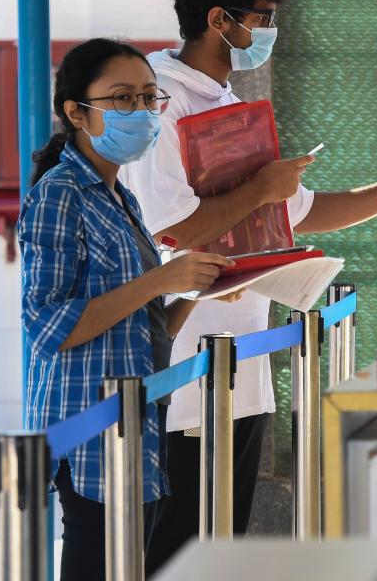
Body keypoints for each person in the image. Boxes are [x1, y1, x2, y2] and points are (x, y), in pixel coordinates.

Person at [118, 0, 377, 572]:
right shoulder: (163, 102)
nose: (270, 30)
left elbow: (301, 212)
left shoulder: (225, 101)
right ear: (220, 20)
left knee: (225, 542)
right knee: (178, 547)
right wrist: (260, 190)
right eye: (263, 17)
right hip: (184, 367)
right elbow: (173, 229)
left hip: (243, 360)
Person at [18, 39, 234, 580]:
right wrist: (162, 278)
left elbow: (141, 321)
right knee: (97, 563)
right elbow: (47, 324)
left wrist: (192, 289)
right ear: (75, 111)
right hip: (92, 429)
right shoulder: (58, 194)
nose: (139, 112)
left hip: (137, 420)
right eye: (120, 99)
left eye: (147, 97)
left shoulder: (120, 197)